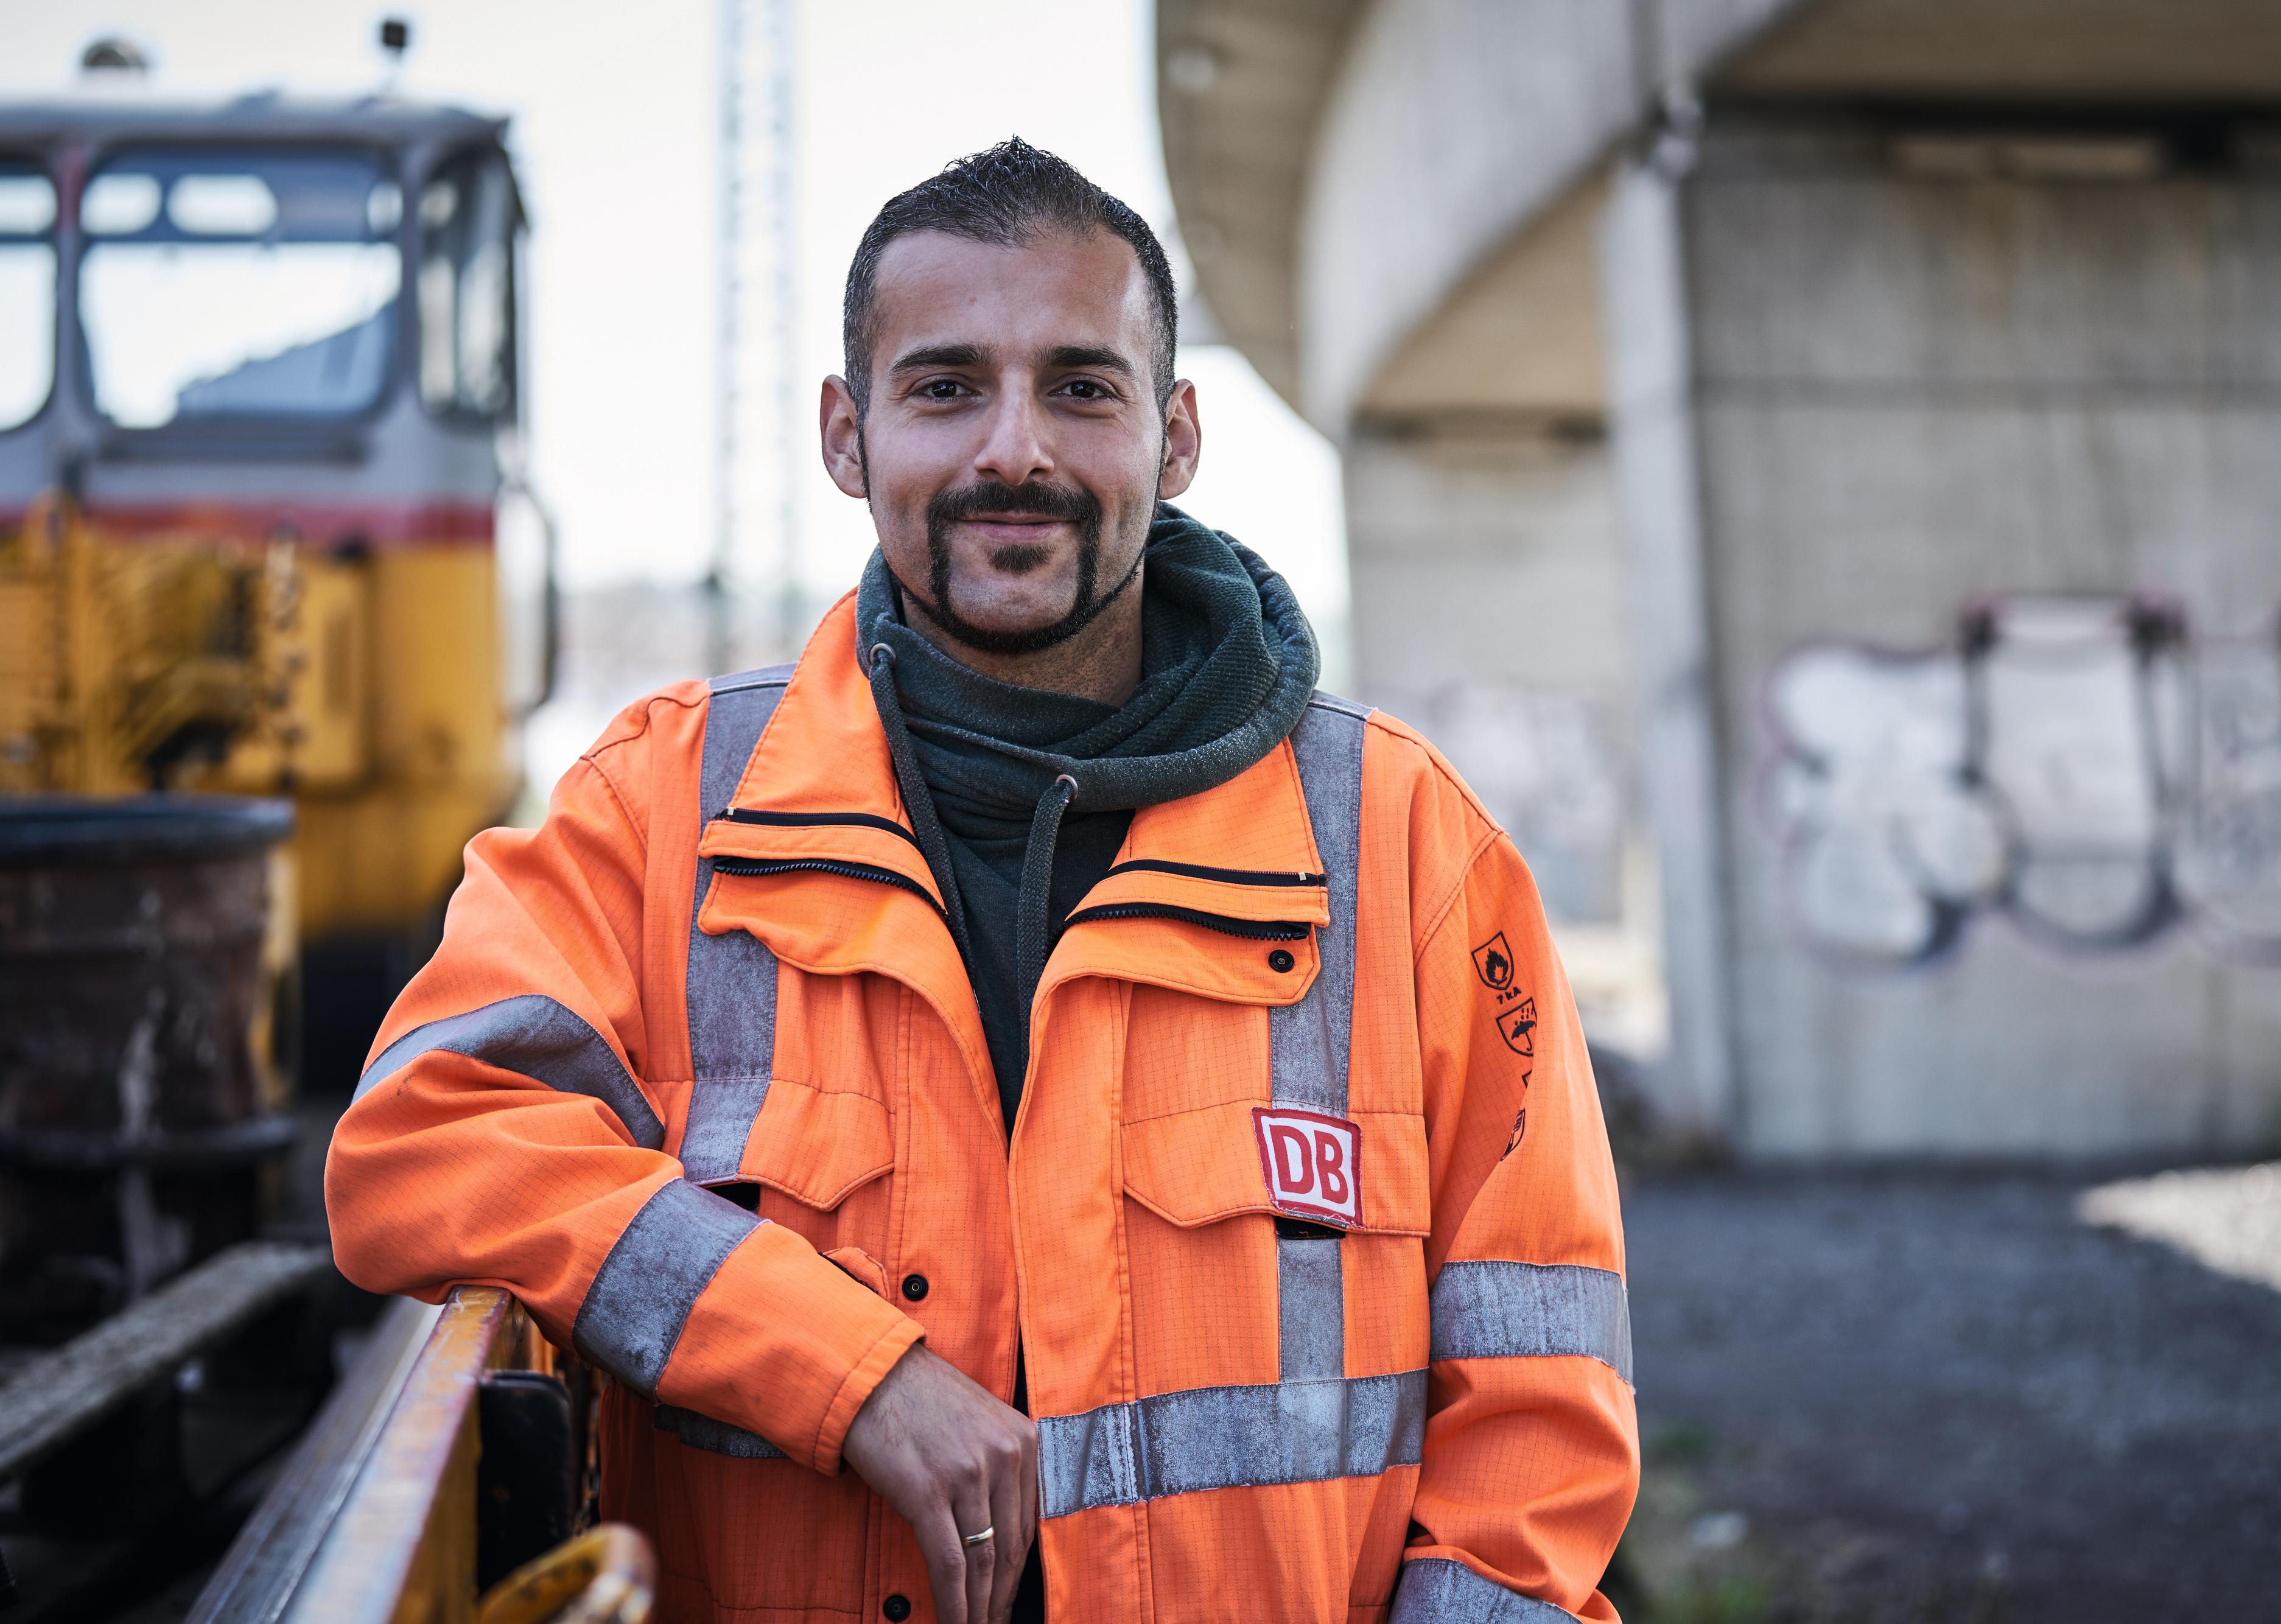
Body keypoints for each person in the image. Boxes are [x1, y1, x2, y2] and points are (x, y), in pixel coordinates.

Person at [327, 139, 1638, 1624]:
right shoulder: (663, 809)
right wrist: (840, 1365)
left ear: (1177, 433)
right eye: (944, 386)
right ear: (844, 434)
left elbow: (1538, 1407)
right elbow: (422, 1144)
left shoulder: (1405, 843)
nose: (1014, 449)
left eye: (1082, 386)